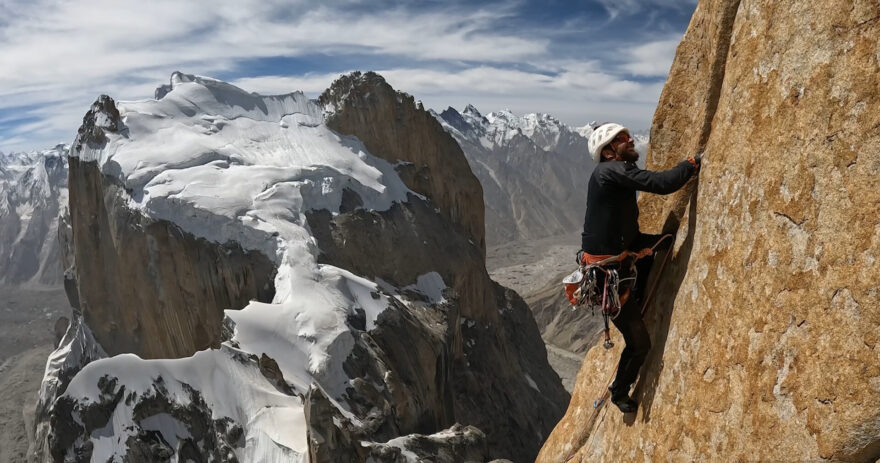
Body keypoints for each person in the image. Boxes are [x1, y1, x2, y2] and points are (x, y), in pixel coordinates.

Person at [581, 123, 699, 413]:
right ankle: (620, 392)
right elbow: (661, 184)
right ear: (608, 151)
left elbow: (620, 225)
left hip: (620, 256)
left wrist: (638, 248)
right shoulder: (610, 171)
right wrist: (691, 165)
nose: (631, 139)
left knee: (664, 243)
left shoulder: (610, 173)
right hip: (609, 278)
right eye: (622, 138)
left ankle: (638, 298)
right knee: (640, 344)